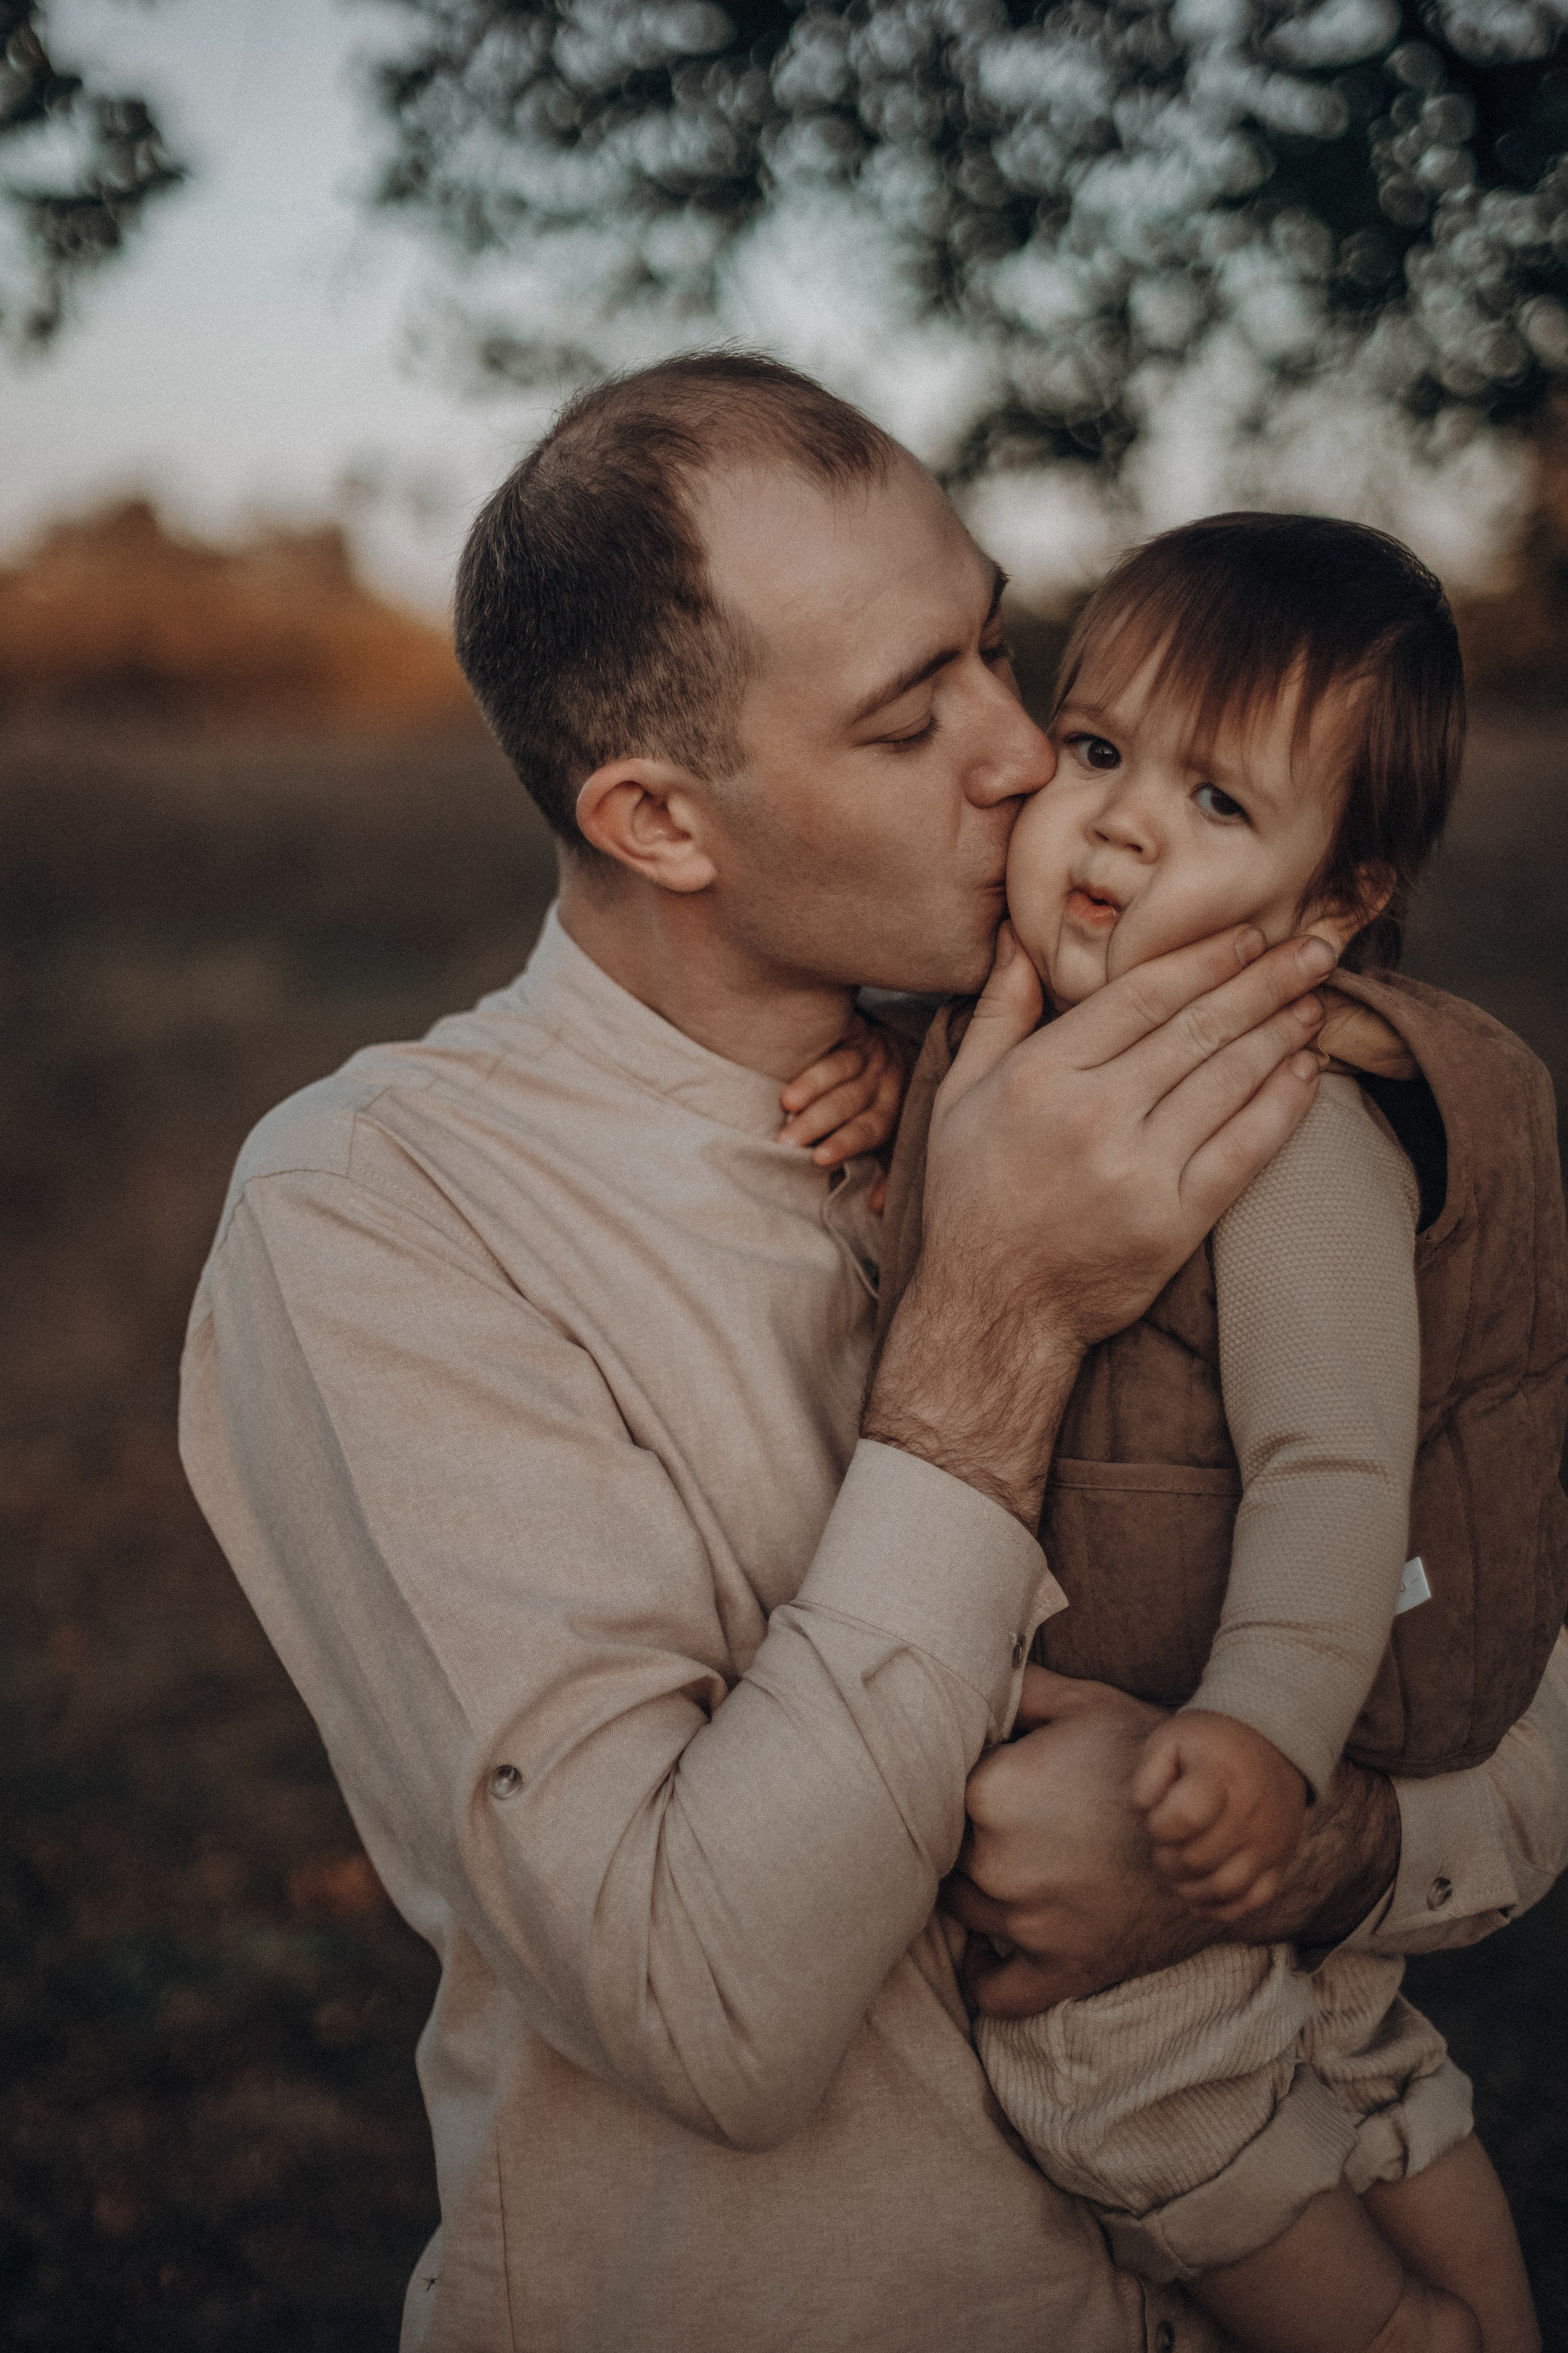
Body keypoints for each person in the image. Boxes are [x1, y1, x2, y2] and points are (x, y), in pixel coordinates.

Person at [178, 357, 1568, 2353]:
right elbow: (712, 2009)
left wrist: (1289, 1851)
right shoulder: (377, 1211)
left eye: (1001, 649)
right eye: (917, 713)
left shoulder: (1221, 1082)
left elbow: (1507, 1655)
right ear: (661, 819)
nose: (1030, 756)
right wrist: (994, 1312)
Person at [861, 515, 1564, 2353]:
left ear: (1335, 905)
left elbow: (1337, 1464)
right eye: (1096, 753)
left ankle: (1381, 2335)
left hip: (1193, 1758)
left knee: (1119, 2070)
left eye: (1221, 804)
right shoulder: (980, 1032)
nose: (1121, 824)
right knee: (1354, 2050)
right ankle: (1485, 2310)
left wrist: (1262, 1726)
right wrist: (870, 1081)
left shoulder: (1288, 1126)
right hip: (1176, 1763)